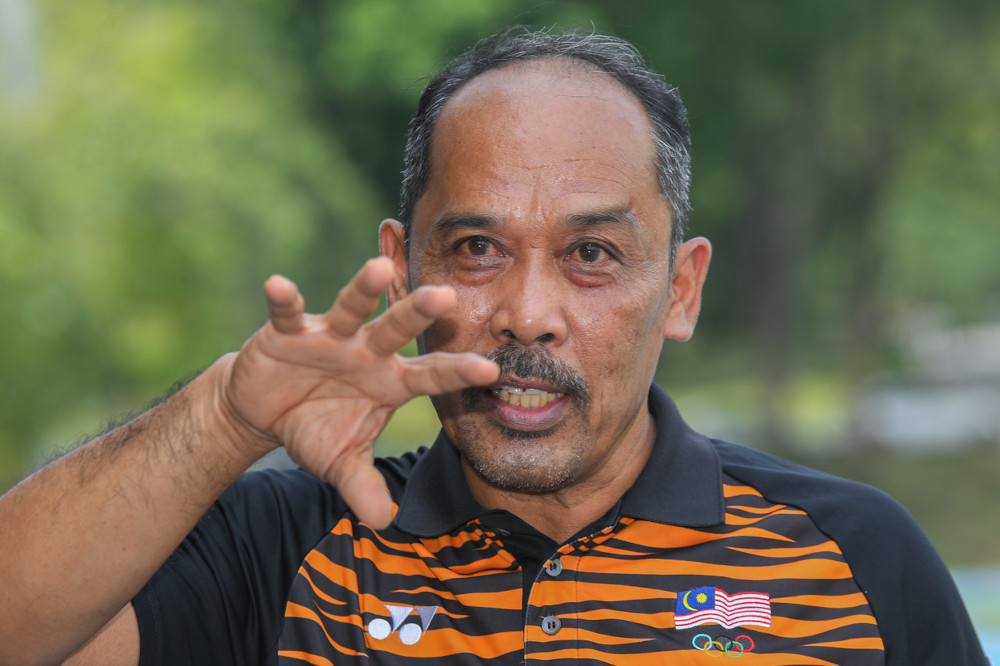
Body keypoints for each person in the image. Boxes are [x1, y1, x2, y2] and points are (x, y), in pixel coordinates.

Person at [0, 27, 988, 666]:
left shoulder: (853, 561)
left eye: (591, 255)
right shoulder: (291, 549)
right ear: (402, 262)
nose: (526, 312)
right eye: (476, 250)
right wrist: (221, 420)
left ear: (681, 288)